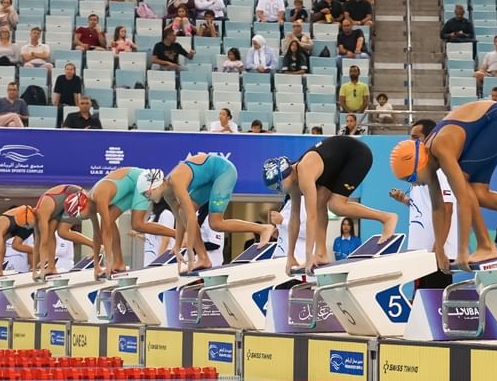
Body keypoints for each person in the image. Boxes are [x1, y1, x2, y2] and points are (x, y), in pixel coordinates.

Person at [389, 100, 497, 271]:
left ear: (419, 164)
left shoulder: (440, 148)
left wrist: (462, 251)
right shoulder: (429, 161)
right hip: (490, 122)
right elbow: (438, 208)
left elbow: (463, 201)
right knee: (478, 192)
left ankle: (486, 246)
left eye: (411, 178)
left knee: (466, 188)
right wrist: (440, 251)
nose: (414, 183)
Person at [264, 136, 397, 273]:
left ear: (285, 175)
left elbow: (312, 218)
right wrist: (290, 256)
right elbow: (294, 219)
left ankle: (386, 218)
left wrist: (308, 257)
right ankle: (321, 254)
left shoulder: (304, 173)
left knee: (336, 206)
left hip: (356, 154)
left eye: (277, 185)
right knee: (320, 201)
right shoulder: (293, 182)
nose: (277, 189)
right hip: (335, 163)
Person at [148, 154, 275, 273]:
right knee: (182, 212)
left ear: (156, 187)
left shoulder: (176, 182)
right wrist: (177, 245)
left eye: (147, 193)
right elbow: (180, 218)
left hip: (224, 172)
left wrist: (190, 249)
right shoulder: (167, 192)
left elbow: (191, 217)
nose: (147, 198)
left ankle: (263, 228)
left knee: (216, 223)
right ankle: (203, 258)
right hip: (210, 178)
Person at [388, 118, 457, 288]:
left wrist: (438, 249)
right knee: (421, 300)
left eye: (415, 138)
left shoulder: (440, 170)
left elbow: (447, 210)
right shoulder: (419, 170)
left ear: (430, 138)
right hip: (421, 253)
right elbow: (424, 207)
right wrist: (404, 200)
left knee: (435, 301)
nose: (410, 142)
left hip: (435, 253)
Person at [91, 168, 175, 275]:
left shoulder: (99, 197)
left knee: (137, 224)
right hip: (133, 186)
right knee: (108, 220)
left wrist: (107, 263)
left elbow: (105, 232)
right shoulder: (92, 201)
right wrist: (96, 266)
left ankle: (177, 234)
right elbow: (98, 233)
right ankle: (119, 263)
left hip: (142, 183)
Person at [34, 185, 95, 278]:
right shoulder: (43, 214)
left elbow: (43, 243)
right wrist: (35, 271)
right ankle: (51, 267)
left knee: (62, 232)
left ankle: (95, 246)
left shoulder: (42, 213)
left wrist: (41, 269)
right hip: (62, 204)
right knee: (50, 233)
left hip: (76, 196)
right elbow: (38, 243)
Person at [0, 206, 38, 281]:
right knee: (14, 245)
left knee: (15, 245)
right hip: (21, 223)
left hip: (27, 218)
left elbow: (0, 252)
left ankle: (41, 254)